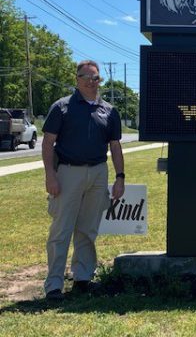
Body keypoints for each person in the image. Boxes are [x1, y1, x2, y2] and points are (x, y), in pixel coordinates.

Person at [42, 60, 125, 301]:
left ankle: (82, 278)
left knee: (88, 229)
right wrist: (50, 174)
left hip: (99, 171)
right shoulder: (62, 107)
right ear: (77, 79)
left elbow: (115, 146)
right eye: (85, 77)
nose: (91, 81)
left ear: (100, 80)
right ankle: (54, 285)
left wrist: (120, 177)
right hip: (68, 172)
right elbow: (48, 143)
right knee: (61, 230)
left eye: (95, 77)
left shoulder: (109, 111)